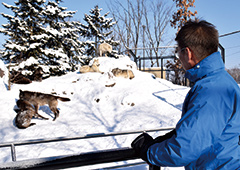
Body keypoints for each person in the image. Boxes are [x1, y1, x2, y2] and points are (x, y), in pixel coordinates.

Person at [131, 19, 240, 169]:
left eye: (178, 52)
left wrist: (149, 152)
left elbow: (184, 149)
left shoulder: (211, 91)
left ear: (187, 53)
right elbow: (209, 130)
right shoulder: (223, 81)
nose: (179, 58)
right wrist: (170, 138)